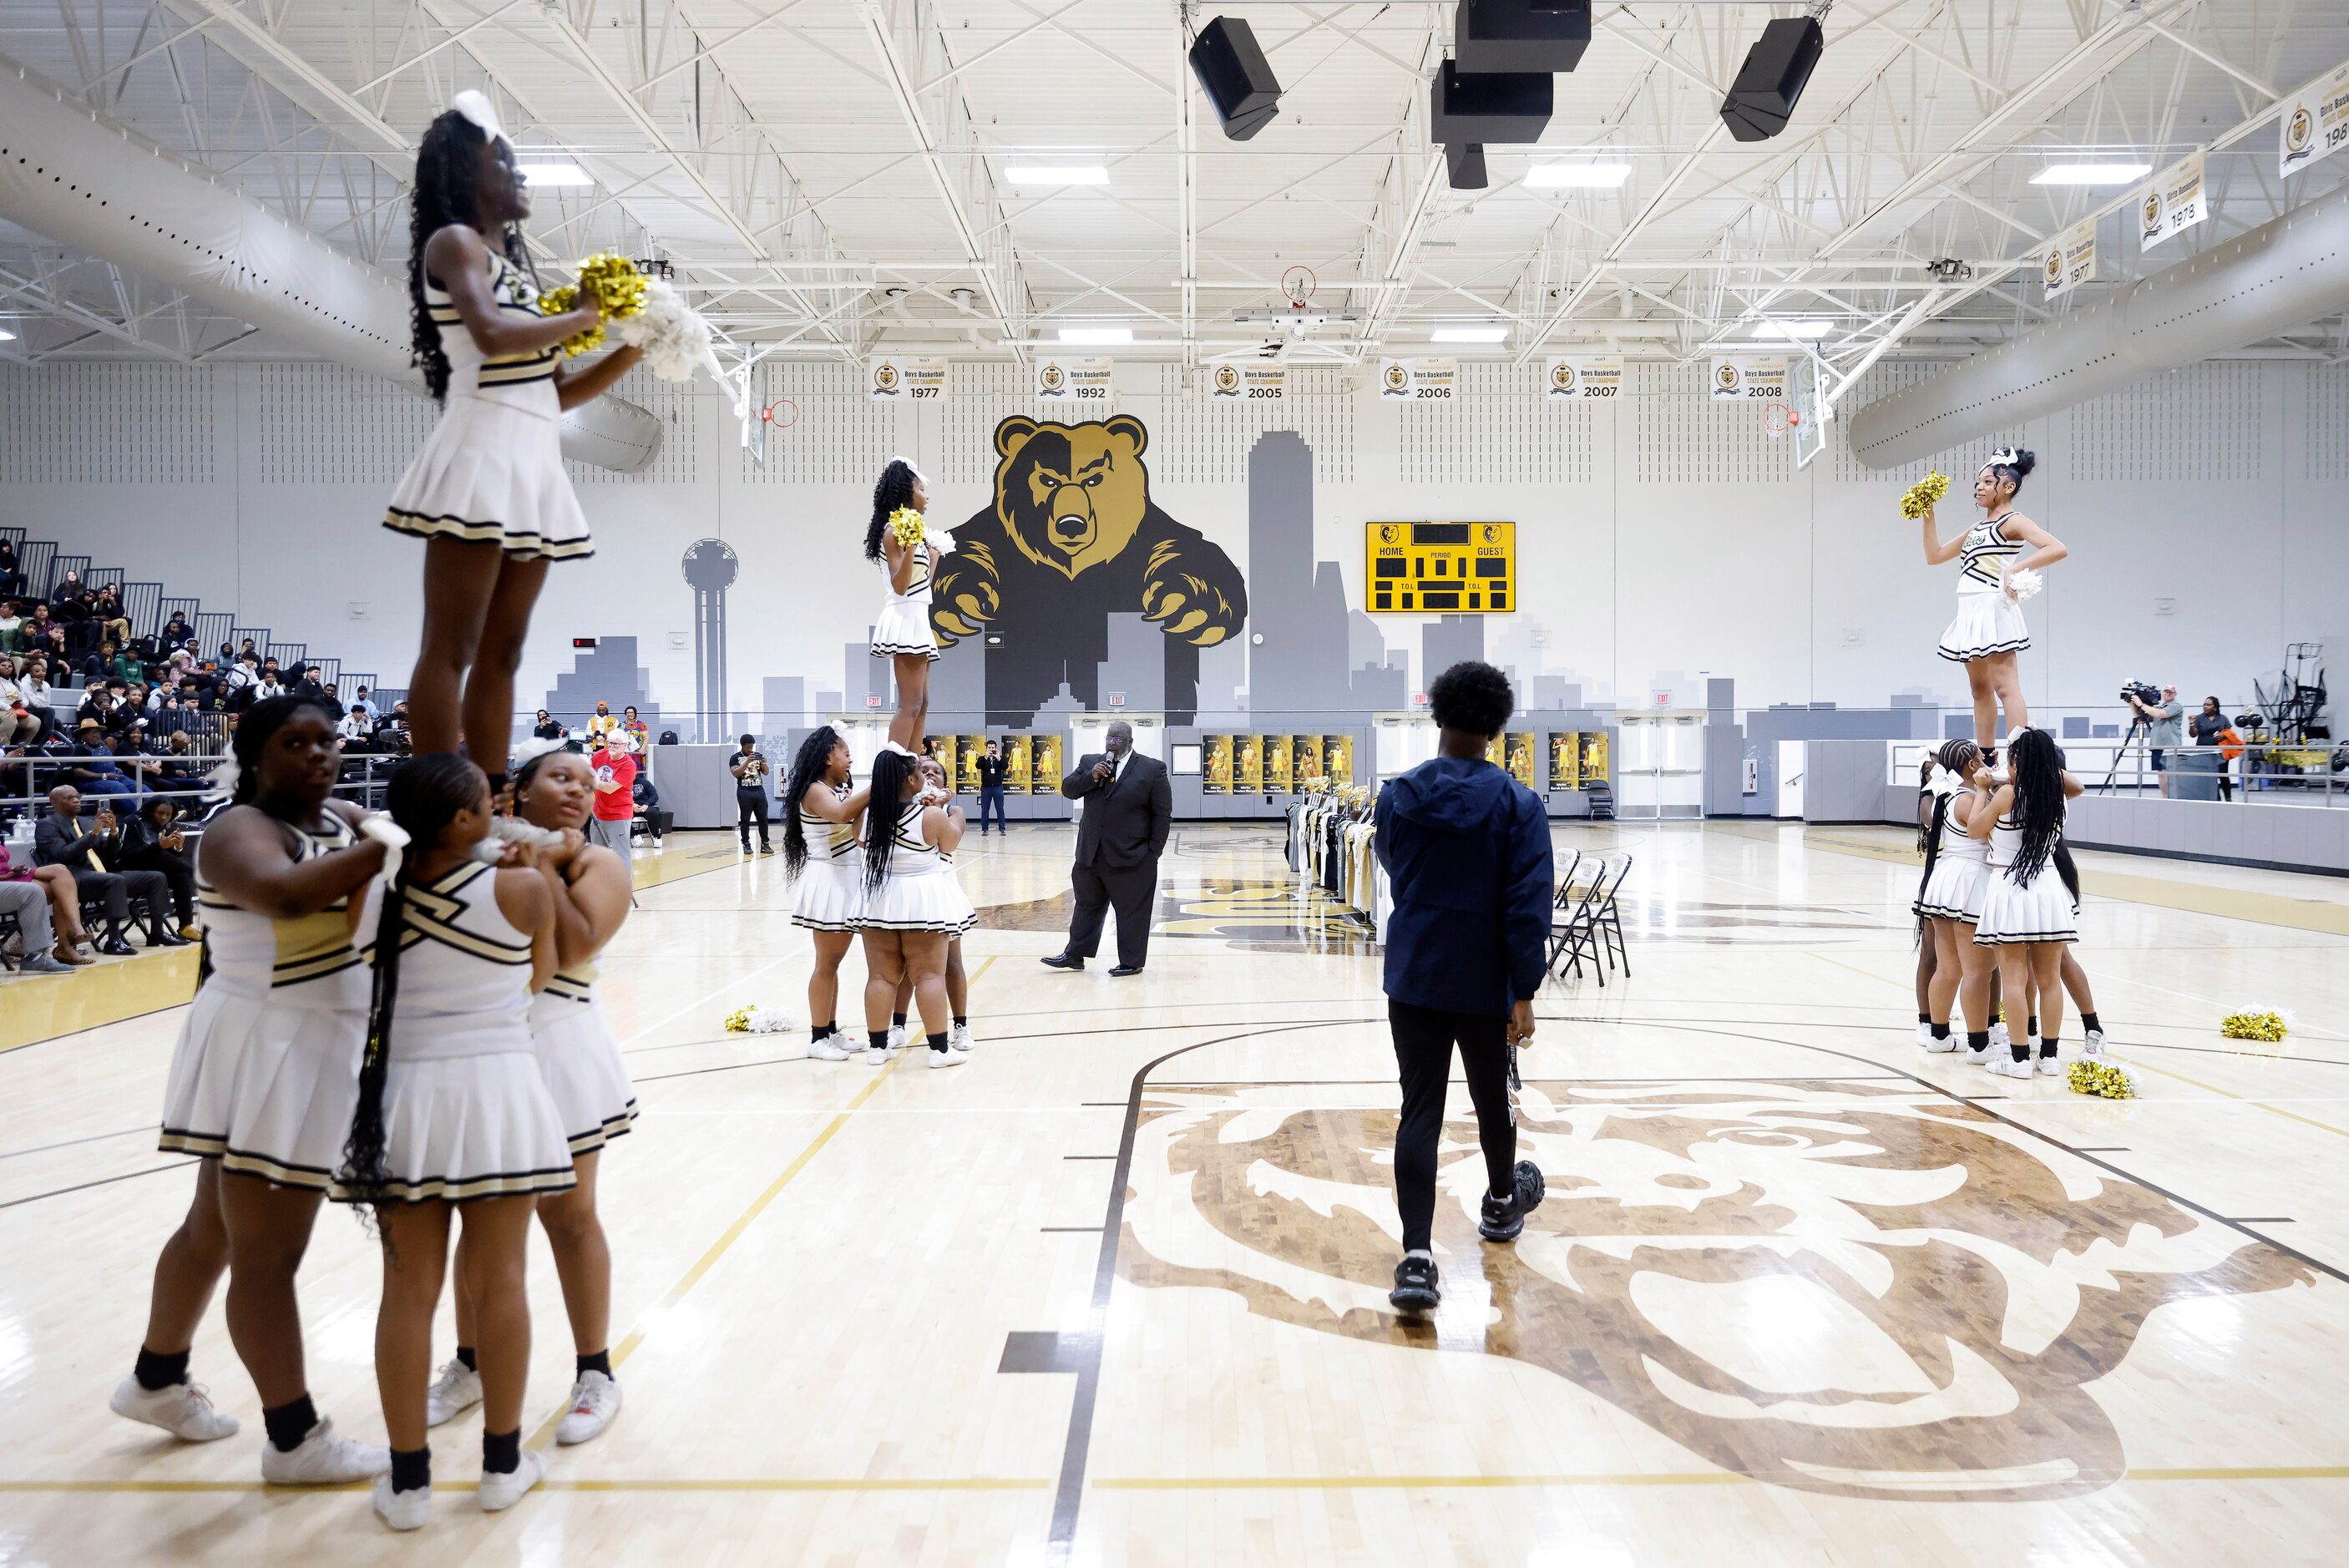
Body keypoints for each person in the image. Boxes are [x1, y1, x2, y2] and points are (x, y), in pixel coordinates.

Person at [115, 697, 392, 1484]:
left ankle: (156, 1379)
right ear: (253, 756)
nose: (317, 754)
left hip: (308, 1033)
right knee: (268, 1253)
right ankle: (294, 1439)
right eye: (294, 742)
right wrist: (392, 845)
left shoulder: (343, 814)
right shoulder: (237, 829)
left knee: (215, 1229)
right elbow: (288, 896)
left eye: (327, 740)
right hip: (272, 1038)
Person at [332, 753, 571, 1530]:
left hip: (404, 1096)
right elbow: (539, 980)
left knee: (407, 1291)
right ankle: (502, 1467)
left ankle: (407, 1484)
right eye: (486, 805)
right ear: (465, 820)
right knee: (501, 1281)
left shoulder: (371, 892)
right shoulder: (523, 886)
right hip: (498, 1090)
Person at [387, 90, 639, 788]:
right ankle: (440, 793)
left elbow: (555, 391)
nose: (520, 175)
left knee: (505, 650)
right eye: (508, 161)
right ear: (471, 173)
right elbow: (494, 340)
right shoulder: (455, 243)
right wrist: (587, 312)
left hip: (533, 454)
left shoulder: (519, 273)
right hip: (483, 448)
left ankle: (491, 794)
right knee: (454, 643)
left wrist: (631, 351)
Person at [426, 744, 634, 1449]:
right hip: (484, 1044)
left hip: (562, 1043)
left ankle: (595, 1371)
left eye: (585, 780)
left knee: (570, 1216)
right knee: (477, 1220)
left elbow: (571, 950)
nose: (577, 788)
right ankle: (470, 1365)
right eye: (560, 776)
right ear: (518, 792)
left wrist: (542, 867)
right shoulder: (475, 853)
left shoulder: (598, 864)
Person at [1373, 660, 1552, 1315]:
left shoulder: (1397, 795)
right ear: (1497, 726)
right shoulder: (1518, 804)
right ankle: (1502, 1202)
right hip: (1484, 978)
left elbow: (1393, 868)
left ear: (1438, 715)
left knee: (1418, 1111)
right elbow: (1528, 904)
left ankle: (1416, 1258)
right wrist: (1523, 988)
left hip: (1416, 971)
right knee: (1490, 1099)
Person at [1919, 448, 2068, 756]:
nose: (1979, 487)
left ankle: (2019, 757)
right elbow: (1934, 556)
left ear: (2008, 487)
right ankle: (1986, 755)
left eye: (1988, 481)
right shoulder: (1975, 529)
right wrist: (1928, 512)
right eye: (1979, 482)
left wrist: (2015, 568)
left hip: (1994, 606)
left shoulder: (2014, 521)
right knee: (1979, 690)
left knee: (2005, 687)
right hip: (1969, 609)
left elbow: (2056, 548)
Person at [1970, 727, 2085, 1079]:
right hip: (2049, 887)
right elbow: (2075, 783)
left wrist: (1979, 788)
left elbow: (1976, 828)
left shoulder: (2005, 795)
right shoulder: (2059, 796)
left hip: (2010, 887)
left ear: (2016, 761)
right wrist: (2040, 760)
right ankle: (2049, 1057)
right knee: (2050, 979)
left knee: (2015, 978)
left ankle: (2019, 1059)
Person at [852, 747, 969, 1069]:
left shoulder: (867, 816)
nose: (924, 776)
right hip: (921, 899)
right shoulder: (930, 816)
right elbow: (950, 842)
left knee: (880, 976)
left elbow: (860, 840)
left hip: (878, 899)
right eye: (919, 772)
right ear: (909, 780)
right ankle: (940, 1051)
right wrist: (955, 813)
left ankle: (878, 1048)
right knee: (929, 975)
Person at [1041, 721, 1169, 977]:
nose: (1112, 743)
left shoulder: (1151, 769)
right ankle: (1075, 955)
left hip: (1133, 856)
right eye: (1109, 739)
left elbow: (1162, 813)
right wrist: (1092, 776)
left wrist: (1153, 852)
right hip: (1091, 854)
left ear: (1130, 742)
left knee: (1132, 911)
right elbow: (1068, 789)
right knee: (1086, 905)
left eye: (1118, 739)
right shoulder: (1091, 762)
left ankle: (1131, 961)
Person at [783, 726, 874, 1062]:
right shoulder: (814, 791)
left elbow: (854, 830)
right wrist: (879, 782)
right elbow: (840, 814)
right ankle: (817, 1038)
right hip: (828, 881)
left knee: (833, 964)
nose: (850, 759)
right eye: (845, 753)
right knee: (826, 964)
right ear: (827, 757)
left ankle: (830, 1031)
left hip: (845, 878)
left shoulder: (833, 789)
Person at [1912, 741, 1998, 1060]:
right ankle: (1978, 1044)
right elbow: (1990, 833)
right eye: (1981, 758)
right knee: (1977, 970)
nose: (1987, 763)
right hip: (1969, 881)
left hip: (1945, 878)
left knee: (1949, 968)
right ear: (1972, 766)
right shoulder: (1967, 800)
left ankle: (1939, 1035)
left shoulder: (1945, 796)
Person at [35, 785, 179, 953]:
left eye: (77, 796)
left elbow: (110, 854)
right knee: (114, 880)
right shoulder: (47, 825)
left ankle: (157, 933)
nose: (76, 800)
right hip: (73, 878)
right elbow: (61, 856)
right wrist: (93, 833)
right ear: (54, 802)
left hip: (102, 874)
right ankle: (114, 940)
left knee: (155, 877)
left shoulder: (86, 822)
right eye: (69, 797)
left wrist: (113, 833)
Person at [865, 458, 942, 754]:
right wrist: (911, 546)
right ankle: (893, 769)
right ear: (907, 494)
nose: (927, 496)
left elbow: (919, 586)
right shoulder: (892, 531)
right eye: (922, 489)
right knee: (909, 703)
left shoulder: (913, 534)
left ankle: (913, 764)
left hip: (918, 615)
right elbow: (900, 586)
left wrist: (931, 558)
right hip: (904, 618)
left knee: (922, 703)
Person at [122, 796, 200, 940]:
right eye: (160, 813)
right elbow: (128, 854)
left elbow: (167, 855)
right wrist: (159, 846)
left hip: (153, 869)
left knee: (181, 875)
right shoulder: (132, 822)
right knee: (163, 857)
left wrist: (178, 847)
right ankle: (198, 874)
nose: (164, 818)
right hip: (130, 868)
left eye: (168, 815)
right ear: (151, 810)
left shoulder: (162, 827)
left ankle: (185, 927)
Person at [587, 727, 638, 876]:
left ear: (625, 745)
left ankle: (624, 895)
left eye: (616, 744)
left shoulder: (628, 765)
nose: (612, 747)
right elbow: (586, 770)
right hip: (599, 814)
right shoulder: (600, 755)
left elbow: (610, 788)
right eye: (610, 743)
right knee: (597, 856)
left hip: (619, 815)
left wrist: (590, 780)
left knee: (621, 856)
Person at [729, 734, 773, 855]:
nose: (750, 749)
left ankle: (765, 844)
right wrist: (747, 762)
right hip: (744, 791)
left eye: (752, 746)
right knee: (745, 819)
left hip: (759, 790)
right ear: (743, 746)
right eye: (748, 747)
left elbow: (766, 772)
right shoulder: (735, 757)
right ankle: (746, 844)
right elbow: (736, 773)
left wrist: (763, 764)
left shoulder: (757, 756)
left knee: (763, 818)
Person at [2129, 685, 2184, 781]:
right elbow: (2139, 717)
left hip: (2169, 746)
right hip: (2157, 745)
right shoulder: (2158, 708)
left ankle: (2171, 795)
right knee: (2161, 774)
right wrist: (2132, 703)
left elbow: (2161, 714)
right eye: (2166, 692)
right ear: (2162, 693)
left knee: (2169, 774)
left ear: (2175, 694)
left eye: (2170, 692)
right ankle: (2164, 796)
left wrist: (2141, 704)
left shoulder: (2176, 706)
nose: (2168, 694)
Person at [974, 738, 1009, 835]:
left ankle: (1002, 829)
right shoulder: (982, 758)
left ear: (996, 748)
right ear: (986, 748)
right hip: (986, 788)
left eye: (993, 748)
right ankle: (985, 829)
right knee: (985, 809)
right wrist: (985, 756)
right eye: (989, 748)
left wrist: (998, 758)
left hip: (997, 787)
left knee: (1000, 808)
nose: (991, 750)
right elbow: (978, 766)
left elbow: (1006, 766)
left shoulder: (999, 758)